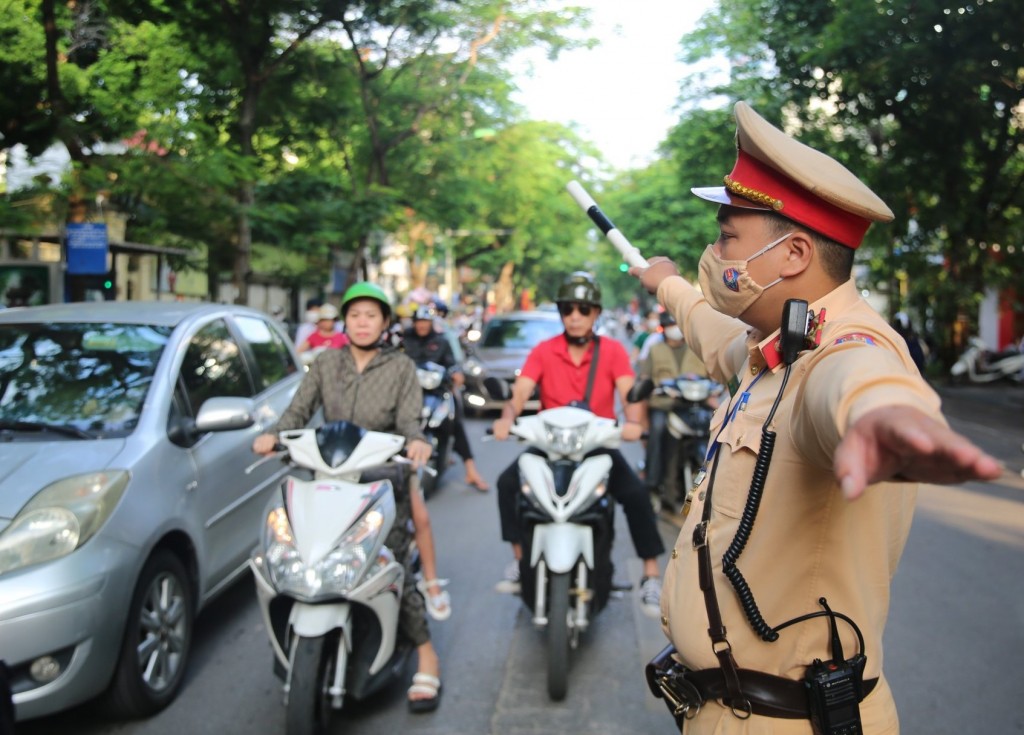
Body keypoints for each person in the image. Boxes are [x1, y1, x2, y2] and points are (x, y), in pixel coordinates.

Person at [630, 101, 1001, 733]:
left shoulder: (848, 349)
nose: (714, 253)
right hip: (728, 711)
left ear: (794, 253)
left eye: (727, 237)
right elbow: (707, 324)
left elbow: (857, 383)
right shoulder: (773, 346)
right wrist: (665, 283)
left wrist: (884, 416)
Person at [252, 281, 447, 712]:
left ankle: (425, 650)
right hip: (326, 478)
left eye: (371, 315)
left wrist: (416, 444)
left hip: (380, 480)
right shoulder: (326, 363)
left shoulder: (400, 369)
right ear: (345, 321)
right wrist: (272, 436)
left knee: (391, 560)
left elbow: (411, 423)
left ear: (384, 323)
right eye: (355, 315)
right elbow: (297, 412)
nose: (362, 323)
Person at [491, 271, 666, 616]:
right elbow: (520, 393)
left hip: (595, 445)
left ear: (596, 314)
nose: (574, 316)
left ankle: (650, 574)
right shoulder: (544, 351)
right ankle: (519, 560)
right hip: (549, 445)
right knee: (506, 484)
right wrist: (507, 417)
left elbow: (629, 393)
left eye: (583, 309)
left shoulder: (613, 352)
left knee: (635, 493)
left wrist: (633, 422)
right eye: (568, 309)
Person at [402, 305, 490, 490]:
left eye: (426, 322)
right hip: (407, 392)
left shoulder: (441, 341)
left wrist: (456, 374)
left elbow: (452, 364)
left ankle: (471, 471)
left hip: (435, 391)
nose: (422, 326)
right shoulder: (404, 340)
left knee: (454, 421)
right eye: (419, 322)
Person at [637, 310, 710, 500]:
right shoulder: (655, 349)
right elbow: (645, 378)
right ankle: (652, 483)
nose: (674, 329)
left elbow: (714, 376)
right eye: (670, 325)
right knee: (658, 430)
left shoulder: (698, 349)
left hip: (694, 405)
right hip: (664, 405)